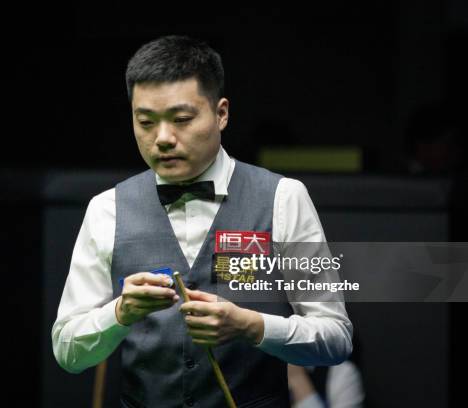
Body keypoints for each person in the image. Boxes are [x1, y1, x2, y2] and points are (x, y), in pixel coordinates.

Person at [51, 35, 353, 408]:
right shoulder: (106, 209)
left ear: (221, 113)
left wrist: (251, 325)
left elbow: (336, 338)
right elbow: (67, 352)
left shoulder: (284, 198)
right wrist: (119, 313)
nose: (162, 138)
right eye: (145, 121)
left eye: (181, 119)